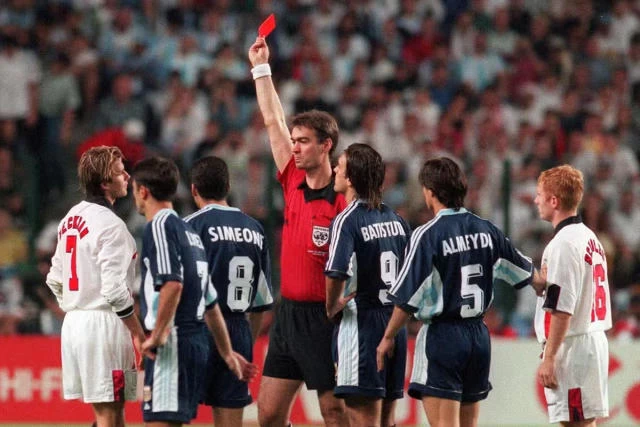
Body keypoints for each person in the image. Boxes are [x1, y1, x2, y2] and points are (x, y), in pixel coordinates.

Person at [376, 157, 543, 427]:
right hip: (478, 337)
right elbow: (528, 274)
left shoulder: (427, 235)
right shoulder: (487, 230)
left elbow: (406, 298)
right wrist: (547, 283)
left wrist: (387, 337)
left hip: (444, 336)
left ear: (430, 191)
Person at [248, 36, 349, 427]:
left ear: (326, 146)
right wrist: (261, 68)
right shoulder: (291, 180)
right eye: (294, 141)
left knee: (333, 412)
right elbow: (272, 120)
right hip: (288, 315)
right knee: (269, 413)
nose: (295, 148)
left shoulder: (344, 200)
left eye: (304, 142)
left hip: (325, 319)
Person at [131, 156, 255, 427]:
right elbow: (210, 302)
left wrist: (158, 334)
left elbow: (172, 284)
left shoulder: (159, 226)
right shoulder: (189, 232)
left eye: (134, 190)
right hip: (195, 342)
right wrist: (226, 353)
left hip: (173, 341)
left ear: (143, 191)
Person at [45, 146, 145, 427]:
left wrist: (77, 302)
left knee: (115, 411)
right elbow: (114, 291)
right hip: (105, 327)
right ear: (104, 183)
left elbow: (54, 278)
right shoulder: (111, 225)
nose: (127, 176)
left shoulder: (69, 219)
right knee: (109, 415)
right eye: (120, 172)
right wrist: (137, 333)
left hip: (76, 323)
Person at [324, 144, 410, 427]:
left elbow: (336, 271)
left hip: (362, 325)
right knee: (387, 419)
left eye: (339, 166)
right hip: (394, 326)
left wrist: (331, 306)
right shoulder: (396, 220)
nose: (334, 170)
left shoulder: (347, 220)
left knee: (362, 418)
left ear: (350, 178)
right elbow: (411, 275)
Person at [185, 155, 274, 427]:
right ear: (228, 187)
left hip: (197, 329)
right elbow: (261, 302)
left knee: (175, 415)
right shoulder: (255, 229)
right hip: (238, 331)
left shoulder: (189, 226)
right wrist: (248, 341)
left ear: (194, 189)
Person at [533, 165, 611, 426]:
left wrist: (549, 357)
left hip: (573, 347)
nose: (536, 200)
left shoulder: (564, 244)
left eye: (540, 195)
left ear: (554, 201)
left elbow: (562, 308)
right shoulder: (589, 237)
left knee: (576, 424)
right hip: (589, 341)